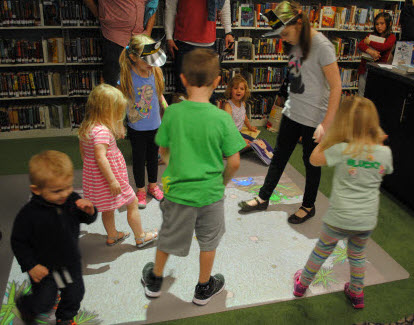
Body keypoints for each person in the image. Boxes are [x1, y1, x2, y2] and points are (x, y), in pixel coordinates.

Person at [141, 48, 246, 305]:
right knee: (208, 242)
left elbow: (163, 150)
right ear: (218, 81)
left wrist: (176, 165)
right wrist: (220, 182)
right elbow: (234, 161)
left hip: (178, 193)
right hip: (210, 194)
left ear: (184, 79)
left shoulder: (173, 113)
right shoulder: (222, 118)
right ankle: (203, 287)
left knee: (168, 236)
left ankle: (155, 280)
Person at [238, 1, 342, 224]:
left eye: (284, 33)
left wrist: (326, 124)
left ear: (299, 23)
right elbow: (294, 79)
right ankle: (264, 197)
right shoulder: (294, 44)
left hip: (315, 118)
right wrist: (283, 102)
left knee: (310, 162)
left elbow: (337, 87)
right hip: (292, 113)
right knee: (279, 157)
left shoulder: (322, 46)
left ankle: (308, 205)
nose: (282, 39)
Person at [292, 96, 393, 309]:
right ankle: (356, 293)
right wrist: (378, 144)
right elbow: (385, 168)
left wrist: (327, 139)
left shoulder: (342, 149)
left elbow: (313, 159)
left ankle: (302, 284)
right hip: (365, 220)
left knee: (321, 251)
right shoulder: (384, 153)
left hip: (338, 218)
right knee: (357, 255)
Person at [11, 150, 98, 325]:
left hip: (70, 261)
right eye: (57, 190)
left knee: (75, 293)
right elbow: (18, 241)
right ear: (36, 190)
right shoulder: (28, 214)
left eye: (69, 186)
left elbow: (86, 219)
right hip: (44, 266)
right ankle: (26, 305)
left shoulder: (71, 199)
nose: (65, 194)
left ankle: (65, 317)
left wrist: (90, 211)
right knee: (44, 302)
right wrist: (31, 266)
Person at [78, 84, 157, 247]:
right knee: (132, 202)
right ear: (107, 111)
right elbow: (100, 157)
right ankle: (140, 236)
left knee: (108, 208)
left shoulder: (87, 127)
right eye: (116, 112)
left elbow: (85, 154)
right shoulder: (102, 132)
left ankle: (112, 235)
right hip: (111, 177)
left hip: (96, 178)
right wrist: (112, 181)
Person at [118, 34, 168, 209]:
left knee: (153, 158)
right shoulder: (127, 76)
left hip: (155, 125)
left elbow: (159, 93)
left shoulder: (155, 71)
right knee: (139, 160)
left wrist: (166, 107)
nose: (151, 63)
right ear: (133, 57)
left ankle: (152, 186)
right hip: (136, 127)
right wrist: (119, 123)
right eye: (147, 59)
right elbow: (120, 100)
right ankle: (140, 190)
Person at [165, 0, 234, 94]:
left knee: (208, 92)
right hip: (184, 43)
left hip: (208, 44)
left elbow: (224, 4)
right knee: (183, 91)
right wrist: (169, 36)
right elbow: (170, 7)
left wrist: (228, 32)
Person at [83, 0, 157, 86]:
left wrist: (148, 31)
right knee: (114, 84)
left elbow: (153, 4)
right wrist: (99, 14)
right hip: (115, 38)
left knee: (141, 84)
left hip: (139, 39)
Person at [357, 12, 396, 97]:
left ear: (389, 24)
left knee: (374, 96)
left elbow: (383, 47)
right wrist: (371, 52)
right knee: (361, 95)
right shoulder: (371, 34)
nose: (379, 26)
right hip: (365, 69)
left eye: (382, 23)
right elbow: (360, 44)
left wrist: (370, 42)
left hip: (379, 71)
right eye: (377, 24)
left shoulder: (391, 37)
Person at [223, 74, 258, 148]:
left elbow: (244, 116)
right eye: (236, 88)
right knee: (247, 145)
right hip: (229, 135)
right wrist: (241, 139)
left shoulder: (243, 103)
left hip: (238, 133)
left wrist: (249, 127)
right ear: (230, 90)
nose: (239, 91)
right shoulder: (228, 106)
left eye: (242, 89)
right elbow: (228, 127)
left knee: (255, 142)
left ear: (245, 91)